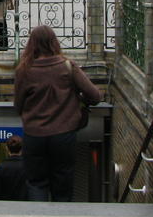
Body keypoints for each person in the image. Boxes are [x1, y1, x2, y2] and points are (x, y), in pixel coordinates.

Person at [13, 25, 102, 201]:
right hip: (63, 134)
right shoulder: (67, 66)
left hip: (35, 135)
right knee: (63, 180)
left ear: (32, 45)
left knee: (36, 182)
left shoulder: (24, 70)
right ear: (54, 42)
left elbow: (18, 105)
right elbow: (95, 95)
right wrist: (79, 101)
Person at [0, 135, 28, 201]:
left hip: (5, 206)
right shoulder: (29, 167)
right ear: (22, 148)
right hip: (25, 206)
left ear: (7, 148)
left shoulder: (1, 167)